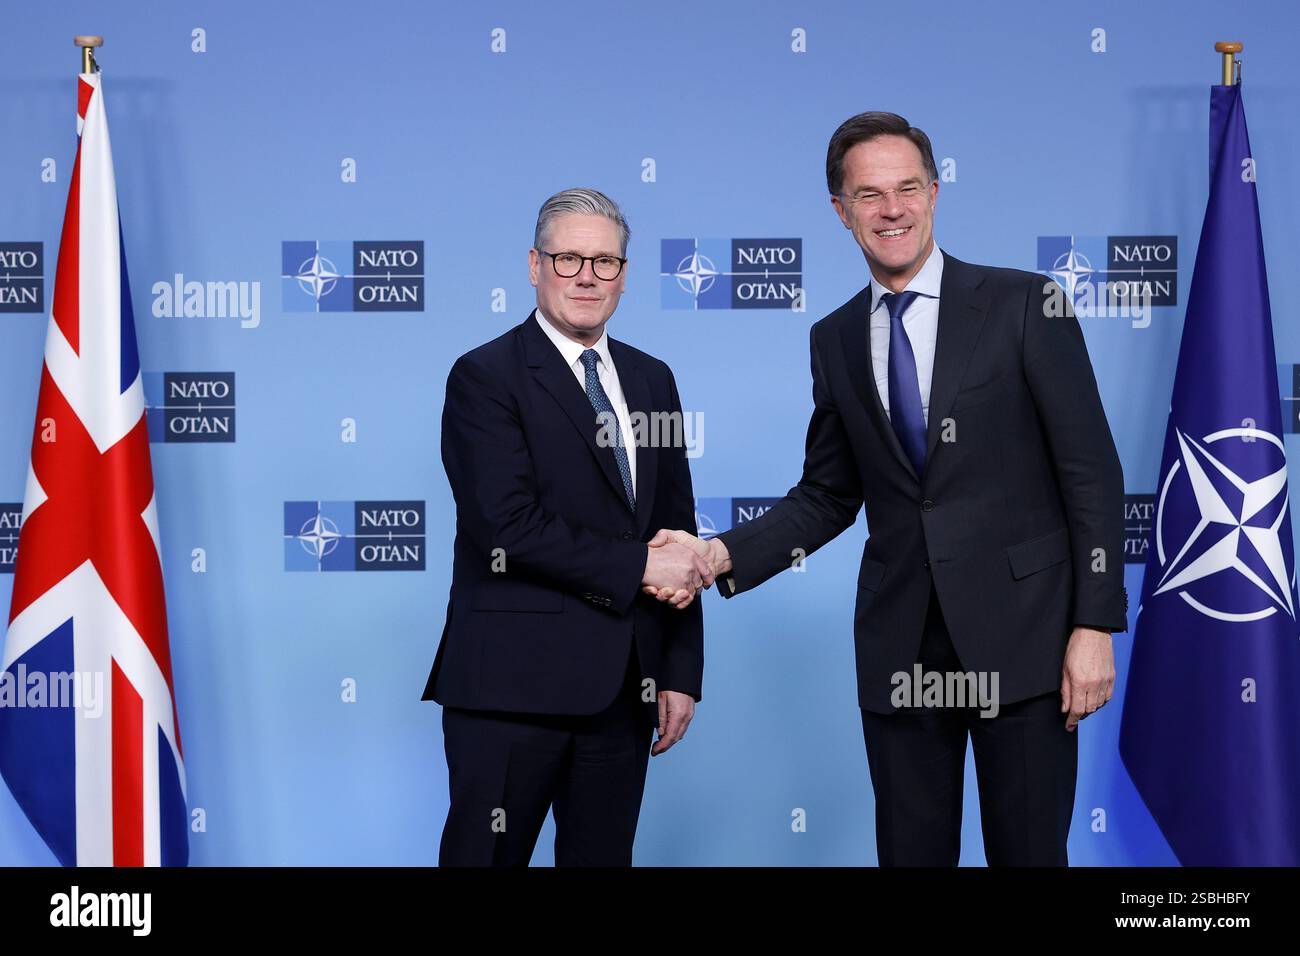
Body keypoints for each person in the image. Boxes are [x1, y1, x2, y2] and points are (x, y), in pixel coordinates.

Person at [649, 112, 1126, 866]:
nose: (892, 208)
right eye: (869, 194)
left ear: (935, 193)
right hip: (902, 648)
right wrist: (713, 556)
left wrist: (1094, 626)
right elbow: (830, 494)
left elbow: (1091, 473)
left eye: (907, 188)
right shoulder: (834, 338)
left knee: (1030, 854)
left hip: (1028, 639)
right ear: (841, 211)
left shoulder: (1027, 304)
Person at [425, 187, 710, 866]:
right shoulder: (484, 376)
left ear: (624, 274)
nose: (587, 276)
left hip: (624, 690)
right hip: (510, 694)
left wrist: (679, 671)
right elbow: (507, 528)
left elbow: (676, 531)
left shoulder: (652, 379)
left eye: (605, 262)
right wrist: (641, 566)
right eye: (568, 258)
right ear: (534, 265)